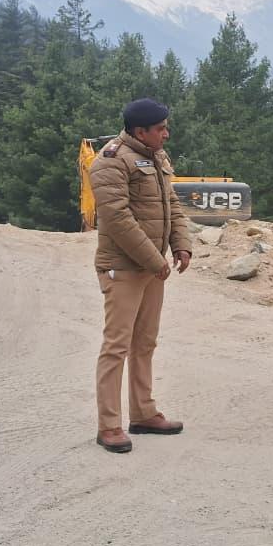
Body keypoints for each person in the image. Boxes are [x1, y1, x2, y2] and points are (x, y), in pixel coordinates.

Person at [89, 98, 193, 453]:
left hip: (151, 268)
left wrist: (181, 244)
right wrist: (153, 259)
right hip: (124, 268)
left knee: (145, 343)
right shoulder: (111, 160)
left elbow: (171, 204)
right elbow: (117, 218)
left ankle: (144, 413)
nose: (167, 133)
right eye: (160, 128)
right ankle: (109, 426)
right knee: (116, 347)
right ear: (140, 131)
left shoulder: (156, 156)